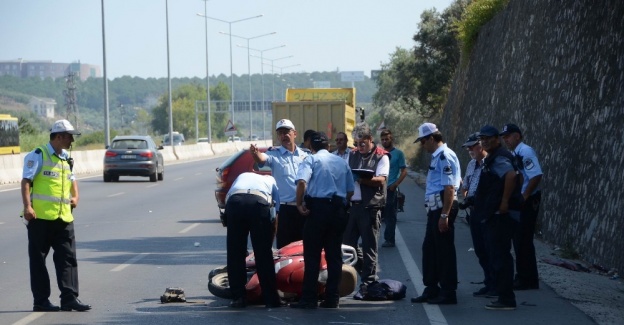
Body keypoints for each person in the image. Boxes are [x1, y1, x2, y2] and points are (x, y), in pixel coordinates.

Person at [20, 119, 91, 312]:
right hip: (40, 218)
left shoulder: (67, 158)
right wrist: (27, 207)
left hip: (64, 218)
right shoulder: (38, 155)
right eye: (69, 137)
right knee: (38, 261)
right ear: (58, 137)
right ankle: (41, 301)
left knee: (67, 259)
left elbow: (72, 179)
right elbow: (26, 181)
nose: (72, 141)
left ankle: (69, 298)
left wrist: (76, 196)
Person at [290, 132, 354, 309]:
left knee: (312, 256)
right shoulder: (341, 162)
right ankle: (332, 298)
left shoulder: (311, 160)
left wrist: (298, 203)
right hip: (338, 211)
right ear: (328, 146)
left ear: (311, 147)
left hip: (317, 210)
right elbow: (350, 191)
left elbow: (302, 182)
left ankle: (309, 299)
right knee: (334, 256)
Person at [410, 122, 461, 305]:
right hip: (435, 208)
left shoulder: (444, 156)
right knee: (430, 250)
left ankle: (448, 291)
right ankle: (432, 288)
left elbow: (449, 188)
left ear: (431, 138)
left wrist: (444, 215)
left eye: (423, 142)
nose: (422, 146)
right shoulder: (437, 156)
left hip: (442, 208)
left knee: (444, 251)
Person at [474, 125, 523, 310]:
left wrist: (504, 202)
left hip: (501, 216)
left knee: (500, 257)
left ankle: (506, 299)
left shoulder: (500, 157)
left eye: (489, 138)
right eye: (482, 138)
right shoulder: (494, 157)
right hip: (495, 214)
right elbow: (520, 177)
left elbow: (511, 176)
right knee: (498, 256)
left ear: (497, 139)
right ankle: (504, 296)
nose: (485, 141)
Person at [224, 172, 283, 308]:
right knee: (263, 254)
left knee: (235, 253)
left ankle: (238, 297)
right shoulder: (272, 181)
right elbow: (275, 217)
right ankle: (271, 299)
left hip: (235, 203)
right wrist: (268, 244)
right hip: (258, 204)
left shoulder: (241, 176)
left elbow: (227, 205)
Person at [343, 124, 389, 294]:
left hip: (370, 207)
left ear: (370, 140)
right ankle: (361, 273)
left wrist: (361, 179)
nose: (359, 147)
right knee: (348, 245)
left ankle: (368, 281)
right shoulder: (352, 154)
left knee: (370, 245)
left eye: (363, 143)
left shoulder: (381, 156)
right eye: (357, 143)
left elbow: (381, 180)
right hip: (353, 206)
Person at [250, 119, 309, 248]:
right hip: (284, 210)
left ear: (295, 134)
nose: (284, 136)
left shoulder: (306, 155)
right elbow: (261, 158)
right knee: (285, 247)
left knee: (305, 247)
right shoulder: (274, 154)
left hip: (304, 208)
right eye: (280, 133)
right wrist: (255, 153)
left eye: (286, 132)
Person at [500, 123, 543, 290]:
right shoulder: (515, 153)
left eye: (508, 136)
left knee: (523, 240)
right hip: (521, 200)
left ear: (517, 135)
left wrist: (524, 195)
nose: (506, 139)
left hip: (528, 200)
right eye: (504, 137)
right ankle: (524, 276)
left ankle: (527, 279)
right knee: (519, 240)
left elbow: (536, 175)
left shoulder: (525, 151)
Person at [458, 132, 495, 297]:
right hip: (474, 212)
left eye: (472, 147)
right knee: (479, 249)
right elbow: (464, 186)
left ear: (480, 145)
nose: (469, 150)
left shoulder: (491, 163)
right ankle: (488, 282)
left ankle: (496, 284)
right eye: (467, 148)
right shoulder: (472, 164)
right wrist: (467, 200)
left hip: (487, 212)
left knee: (491, 249)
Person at [379, 129, 407, 248]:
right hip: (378, 188)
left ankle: (389, 239)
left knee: (390, 216)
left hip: (391, 189)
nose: (385, 141)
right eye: (383, 139)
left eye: (387, 139)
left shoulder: (398, 154)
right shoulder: (378, 153)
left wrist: (395, 184)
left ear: (391, 139)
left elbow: (404, 171)